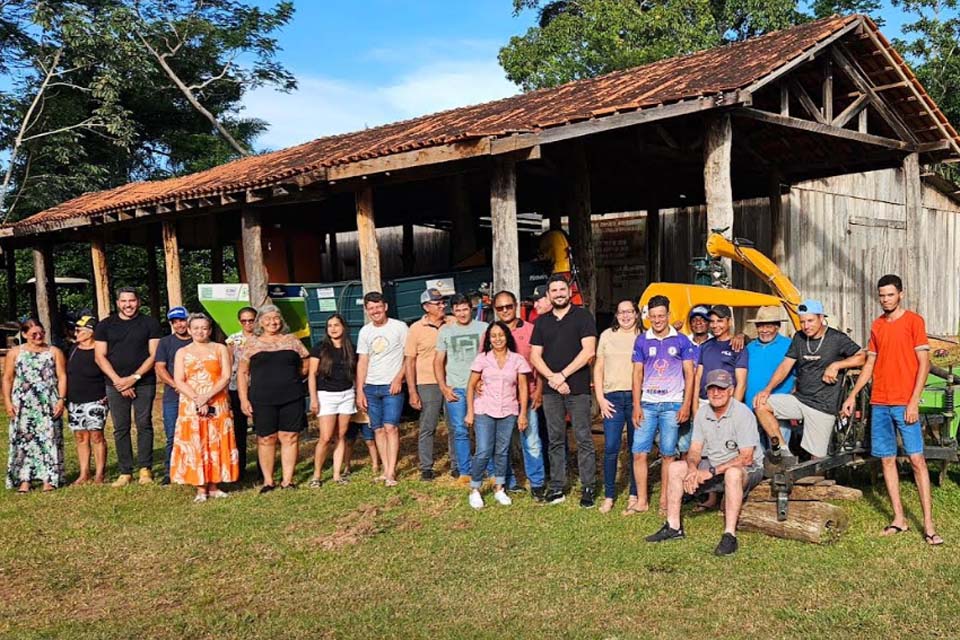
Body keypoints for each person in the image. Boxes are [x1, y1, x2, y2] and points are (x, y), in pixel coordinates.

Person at [842, 275, 942, 545]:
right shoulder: (877, 325)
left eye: (890, 294)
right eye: (882, 295)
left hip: (904, 402)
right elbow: (869, 364)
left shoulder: (914, 322)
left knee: (917, 460)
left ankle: (929, 526)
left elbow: (924, 364)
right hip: (880, 402)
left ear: (901, 294)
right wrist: (852, 395)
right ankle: (899, 519)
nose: (885, 300)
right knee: (887, 459)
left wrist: (913, 401)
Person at [646, 369, 765, 556]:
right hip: (713, 464)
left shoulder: (743, 413)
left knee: (733, 473)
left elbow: (746, 457)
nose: (716, 393)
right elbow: (694, 450)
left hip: (746, 468)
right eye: (712, 389)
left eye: (721, 388)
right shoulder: (703, 413)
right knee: (676, 467)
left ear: (731, 390)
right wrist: (693, 469)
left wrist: (710, 471)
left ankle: (729, 535)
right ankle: (673, 526)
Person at [754, 299, 865, 462]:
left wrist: (837, 365)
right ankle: (784, 452)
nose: (806, 326)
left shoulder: (836, 338)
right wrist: (767, 389)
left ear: (821, 318)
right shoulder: (799, 337)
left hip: (823, 405)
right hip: (800, 399)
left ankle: (817, 476)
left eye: (810, 321)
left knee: (817, 461)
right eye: (802, 322)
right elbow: (785, 365)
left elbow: (862, 357)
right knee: (761, 404)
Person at [530, 274, 598, 507]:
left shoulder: (583, 316)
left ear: (569, 292)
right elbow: (535, 356)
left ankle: (588, 486)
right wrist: (553, 378)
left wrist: (563, 375)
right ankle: (557, 485)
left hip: (577, 388)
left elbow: (589, 351)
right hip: (551, 391)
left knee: (583, 437)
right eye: (554, 290)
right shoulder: (542, 322)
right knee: (555, 438)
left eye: (562, 289)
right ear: (549, 295)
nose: (558, 294)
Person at [631, 295, 695, 514]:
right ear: (648, 317)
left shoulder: (682, 340)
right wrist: (636, 405)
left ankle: (665, 501)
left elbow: (690, 374)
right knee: (639, 453)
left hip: (672, 405)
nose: (657, 320)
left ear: (668, 315)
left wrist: (686, 405)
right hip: (647, 404)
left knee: (668, 454)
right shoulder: (642, 340)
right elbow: (637, 374)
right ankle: (642, 501)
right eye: (653, 316)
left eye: (661, 316)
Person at [237, 305, 310, 492]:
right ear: (260, 322)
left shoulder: (292, 340)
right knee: (266, 438)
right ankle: (268, 481)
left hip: (291, 396)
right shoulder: (252, 343)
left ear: (281, 320)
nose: (273, 322)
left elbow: (306, 362)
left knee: (289, 436)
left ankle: (288, 480)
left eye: (276, 318)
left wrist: (295, 377)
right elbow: (243, 373)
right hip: (262, 398)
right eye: (267, 319)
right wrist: (244, 399)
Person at [94, 287, 161, 487]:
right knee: (120, 427)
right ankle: (125, 471)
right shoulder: (105, 325)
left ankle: (145, 468)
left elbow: (154, 354)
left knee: (143, 424)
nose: (128, 305)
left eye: (131, 300)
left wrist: (134, 378)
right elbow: (99, 356)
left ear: (138, 302)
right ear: (117, 303)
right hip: (114, 383)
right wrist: (119, 381)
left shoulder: (150, 323)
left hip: (144, 382)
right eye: (123, 301)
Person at [170, 313, 238, 502]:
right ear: (189, 330)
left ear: (210, 330)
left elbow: (226, 376)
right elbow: (179, 379)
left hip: (216, 400)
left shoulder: (220, 348)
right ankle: (200, 486)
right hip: (190, 402)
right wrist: (197, 399)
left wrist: (207, 397)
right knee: (195, 441)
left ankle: (215, 484)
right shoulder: (182, 352)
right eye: (196, 328)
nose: (200, 331)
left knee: (216, 440)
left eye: (204, 328)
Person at [465, 321, 530, 509]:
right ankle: (475, 488)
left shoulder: (517, 359)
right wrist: (470, 412)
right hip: (484, 409)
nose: (497, 339)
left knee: (502, 451)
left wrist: (523, 414)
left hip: (508, 410)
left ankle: (500, 488)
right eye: (493, 336)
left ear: (507, 336)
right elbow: (471, 385)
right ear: (488, 339)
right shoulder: (482, 359)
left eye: (501, 335)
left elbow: (523, 388)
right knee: (484, 450)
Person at [492, 290, 546, 500]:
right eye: (500, 308)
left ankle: (537, 483)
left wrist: (539, 390)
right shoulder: (492, 333)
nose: (505, 310)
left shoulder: (531, 330)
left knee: (531, 440)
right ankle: (507, 481)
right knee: (501, 442)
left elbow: (539, 364)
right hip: (500, 398)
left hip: (528, 396)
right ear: (495, 310)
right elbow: (483, 362)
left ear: (516, 306)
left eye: (509, 306)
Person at [3, 318, 67, 492]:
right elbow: (7, 378)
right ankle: (25, 479)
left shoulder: (54, 352)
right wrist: (8, 401)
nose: (38, 336)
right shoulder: (15, 353)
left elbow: (62, 376)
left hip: (47, 402)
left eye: (41, 333)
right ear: (24, 334)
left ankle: (49, 478)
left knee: (49, 438)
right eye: (34, 334)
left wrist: (61, 399)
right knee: (24, 440)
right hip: (23, 404)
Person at [356, 292, 408, 487]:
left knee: (390, 427)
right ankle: (385, 470)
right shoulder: (365, 332)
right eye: (371, 308)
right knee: (377, 429)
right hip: (371, 386)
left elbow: (409, 356)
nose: (375, 311)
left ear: (385, 307)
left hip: (391, 386)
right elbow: (363, 361)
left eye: (378, 307)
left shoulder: (399, 327)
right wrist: (360, 390)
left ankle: (391, 471)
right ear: (367, 311)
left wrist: (399, 378)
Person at [434, 293, 487, 484]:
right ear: (453, 311)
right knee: (460, 430)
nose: (462, 313)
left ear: (471, 309)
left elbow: (490, 357)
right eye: (458, 310)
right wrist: (443, 387)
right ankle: (465, 470)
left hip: (480, 388)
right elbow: (438, 361)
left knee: (483, 430)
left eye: (465, 309)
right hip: (456, 388)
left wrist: (485, 380)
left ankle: (488, 468)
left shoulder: (484, 328)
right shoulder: (446, 331)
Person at [594, 299, 641, 514]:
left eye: (629, 311)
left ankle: (634, 494)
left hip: (635, 398)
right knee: (611, 448)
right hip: (611, 398)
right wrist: (600, 399)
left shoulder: (643, 335)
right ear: (616, 315)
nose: (625, 316)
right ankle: (609, 495)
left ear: (636, 314)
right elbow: (598, 368)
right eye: (621, 312)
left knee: (635, 449)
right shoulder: (607, 335)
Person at [404, 288, 454, 481]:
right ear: (426, 307)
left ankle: (457, 464)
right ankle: (426, 467)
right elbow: (409, 361)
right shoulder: (416, 329)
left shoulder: (452, 322)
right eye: (437, 303)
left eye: (443, 302)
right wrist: (412, 391)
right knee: (428, 425)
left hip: (451, 380)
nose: (442, 306)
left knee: (454, 425)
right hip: (427, 382)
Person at [308, 314, 357, 487]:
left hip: (347, 395)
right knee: (326, 437)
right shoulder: (319, 348)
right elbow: (312, 374)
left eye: (336, 325)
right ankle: (317, 476)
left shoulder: (350, 348)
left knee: (341, 435)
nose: (333, 329)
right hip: (326, 395)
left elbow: (355, 374)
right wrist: (313, 399)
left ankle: (337, 475)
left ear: (343, 327)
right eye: (330, 326)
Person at [744, 306, 796, 451]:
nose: (764, 330)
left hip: (776, 411)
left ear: (777, 327)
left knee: (779, 453)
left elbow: (800, 375)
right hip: (750, 409)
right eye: (760, 326)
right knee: (755, 455)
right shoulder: (750, 347)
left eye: (768, 326)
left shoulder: (789, 345)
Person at [66, 316, 108, 484]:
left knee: (96, 435)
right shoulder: (72, 349)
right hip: (75, 399)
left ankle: (99, 473)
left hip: (96, 398)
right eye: (75, 330)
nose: (75, 333)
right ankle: (84, 473)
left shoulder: (100, 349)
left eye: (79, 330)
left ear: (91, 332)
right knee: (80, 436)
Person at [154, 306, 192, 485]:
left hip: (196, 395)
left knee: (195, 433)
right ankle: (170, 471)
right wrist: (176, 385)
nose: (179, 325)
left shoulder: (198, 340)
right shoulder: (165, 342)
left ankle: (193, 468)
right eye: (175, 322)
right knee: (172, 435)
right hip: (173, 396)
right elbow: (160, 367)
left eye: (182, 320)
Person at [693, 305, 748, 414]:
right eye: (712, 321)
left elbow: (741, 383)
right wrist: (695, 408)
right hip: (704, 402)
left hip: (726, 402)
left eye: (720, 321)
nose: (715, 325)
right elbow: (698, 377)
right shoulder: (705, 346)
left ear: (729, 322)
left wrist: (732, 412)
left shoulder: (738, 347)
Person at [225, 306, 257, 480]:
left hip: (258, 386)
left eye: (251, 320)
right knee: (239, 429)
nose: (248, 324)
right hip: (236, 387)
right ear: (239, 322)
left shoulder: (262, 338)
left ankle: (263, 467)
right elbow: (229, 364)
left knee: (262, 428)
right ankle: (240, 468)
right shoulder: (233, 340)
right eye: (244, 321)